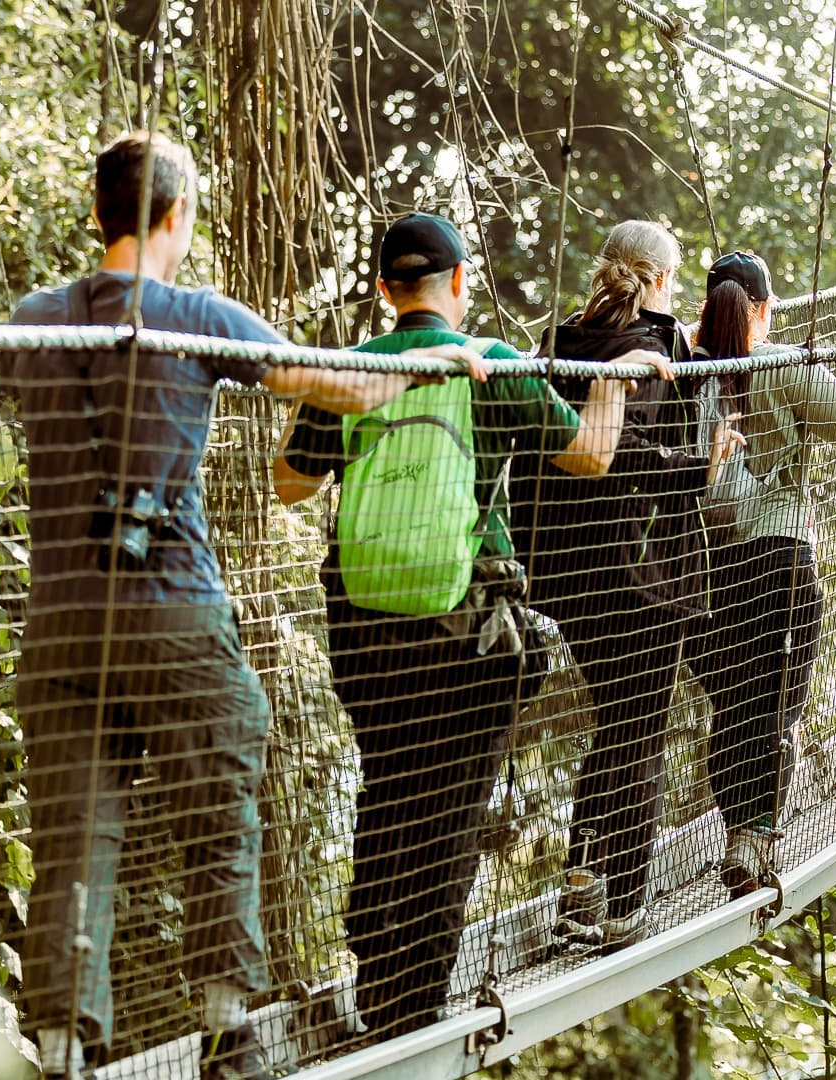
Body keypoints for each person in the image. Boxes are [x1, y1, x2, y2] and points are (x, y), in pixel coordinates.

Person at [3, 134, 486, 1080]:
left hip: (59, 621)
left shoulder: (33, 321)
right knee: (224, 780)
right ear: (176, 216)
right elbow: (342, 385)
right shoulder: (196, 316)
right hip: (172, 609)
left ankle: (60, 1046)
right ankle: (229, 1026)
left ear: (101, 214)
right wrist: (446, 360)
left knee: (74, 829)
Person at [271, 212, 656, 1043]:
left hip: (365, 626)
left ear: (384, 288)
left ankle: (376, 988)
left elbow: (291, 485)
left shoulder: (350, 369)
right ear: (458, 283)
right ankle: (414, 1018)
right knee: (449, 815)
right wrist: (617, 379)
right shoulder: (495, 367)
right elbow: (589, 454)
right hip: (471, 632)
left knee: (389, 794)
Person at [510, 219, 736, 951]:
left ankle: (582, 886)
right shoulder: (661, 343)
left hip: (564, 572)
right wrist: (695, 471)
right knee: (642, 731)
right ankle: (622, 907)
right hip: (641, 569)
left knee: (616, 723)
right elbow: (631, 450)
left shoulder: (554, 343)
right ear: (664, 279)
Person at [685, 251, 836, 895]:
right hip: (780, 557)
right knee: (776, 704)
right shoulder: (780, 365)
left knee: (731, 706)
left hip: (706, 564)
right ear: (761, 309)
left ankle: (737, 828)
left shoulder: (681, 369)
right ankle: (751, 839)